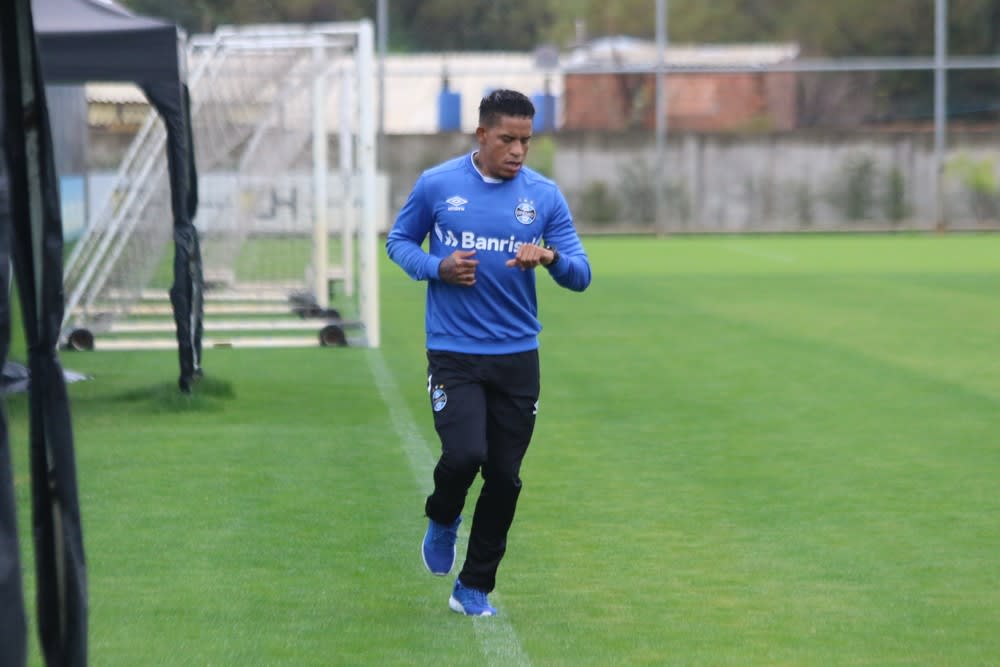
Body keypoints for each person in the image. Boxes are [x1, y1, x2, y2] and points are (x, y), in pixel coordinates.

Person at [386, 89, 591, 616]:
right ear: (482, 135)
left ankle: (473, 587)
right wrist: (438, 268)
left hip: (518, 357)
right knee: (464, 456)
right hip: (454, 352)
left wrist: (548, 256)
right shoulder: (438, 185)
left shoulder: (544, 197)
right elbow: (399, 242)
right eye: (508, 139)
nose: (519, 150)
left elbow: (581, 273)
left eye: (526, 139)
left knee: (504, 477)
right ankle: (443, 517)